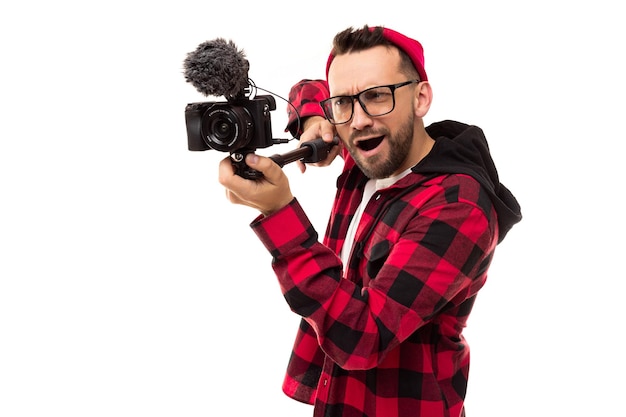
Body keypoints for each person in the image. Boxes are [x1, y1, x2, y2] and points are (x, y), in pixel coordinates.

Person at [218, 25, 522, 417]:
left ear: (421, 97)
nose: (358, 121)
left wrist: (279, 214)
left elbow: (361, 337)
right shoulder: (370, 154)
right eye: (343, 103)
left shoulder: (458, 205)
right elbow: (307, 89)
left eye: (377, 96)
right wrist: (314, 122)